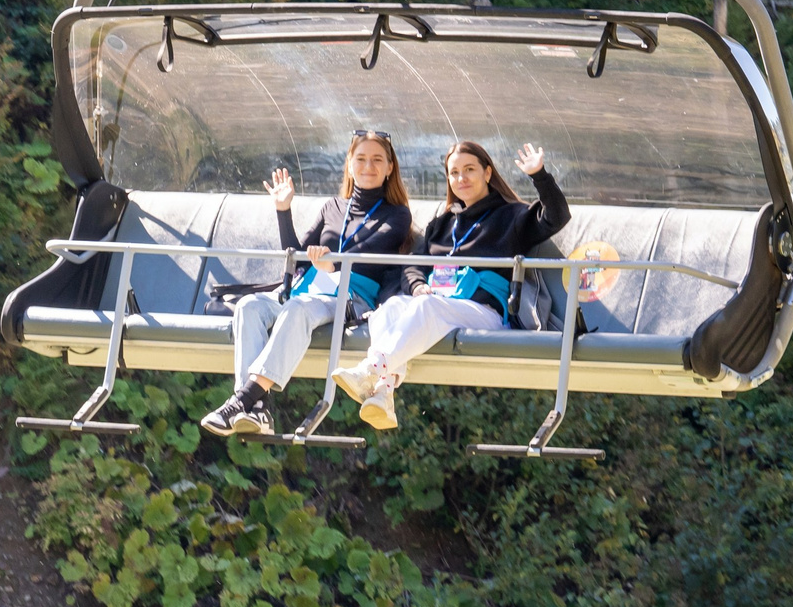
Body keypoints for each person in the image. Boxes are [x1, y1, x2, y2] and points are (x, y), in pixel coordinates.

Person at [331, 139, 567, 431]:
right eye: (454, 173)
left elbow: (556, 217)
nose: (461, 178)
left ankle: (370, 370)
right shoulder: (442, 224)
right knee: (391, 306)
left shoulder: (512, 215)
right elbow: (413, 266)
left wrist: (539, 175)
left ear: (488, 173)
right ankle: (383, 393)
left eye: (469, 170)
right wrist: (418, 287)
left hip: (483, 312)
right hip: (438, 306)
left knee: (427, 306)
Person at [201, 131, 413, 437]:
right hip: (308, 291)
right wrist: (283, 210)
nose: (368, 166)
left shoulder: (398, 215)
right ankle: (257, 410)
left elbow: (374, 250)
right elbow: (297, 258)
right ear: (350, 165)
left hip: (350, 297)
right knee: (250, 306)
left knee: (299, 308)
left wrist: (333, 263)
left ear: (390, 168)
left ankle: (241, 401)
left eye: (377, 159)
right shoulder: (333, 208)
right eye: (361, 159)